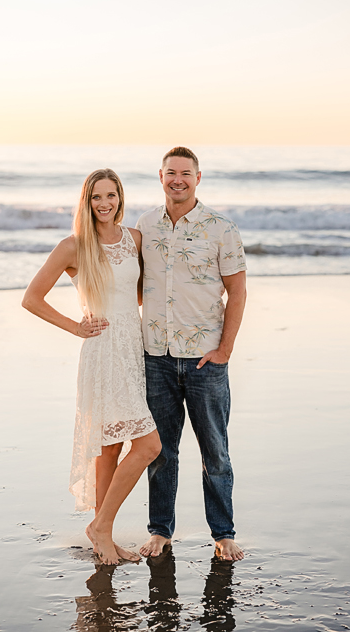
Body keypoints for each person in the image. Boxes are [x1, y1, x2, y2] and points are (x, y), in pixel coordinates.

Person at [23, 168, 161, 565]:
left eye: (112, 195)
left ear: (121, 197)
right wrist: (76, 327)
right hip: (102, 350)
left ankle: (104, 533)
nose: (105, 204)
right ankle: (101, 527)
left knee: (113, 446)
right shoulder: (73, 246)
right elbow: (32, 298)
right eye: (97, 196)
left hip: (132, 346)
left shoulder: (134, 238)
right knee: (148, 445)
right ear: (87, 200)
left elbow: (135, 295)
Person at [136, 146, 247, 562]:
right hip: (156, 357)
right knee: (161, 452)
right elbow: (129, 281)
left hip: (205, 360)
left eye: (186, 172)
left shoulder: (222, 228)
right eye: (170, 173)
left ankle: (223, 533)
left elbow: (237, 291)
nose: (177, 179)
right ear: (160, 177)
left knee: (215, 451)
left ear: (198, 178)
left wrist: (225, 350)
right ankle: (161, 531)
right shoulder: (145, 227)